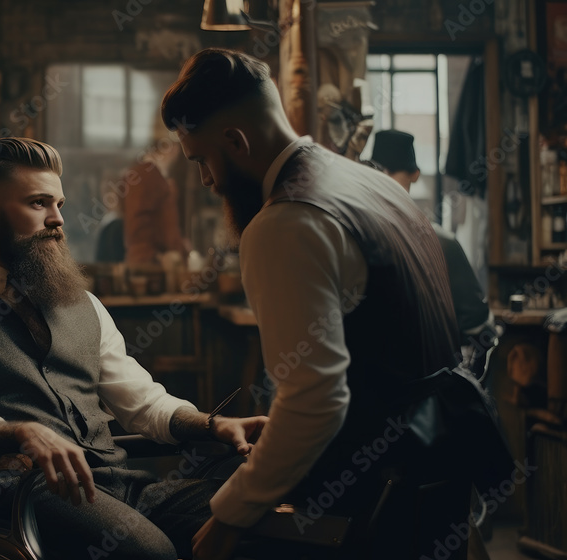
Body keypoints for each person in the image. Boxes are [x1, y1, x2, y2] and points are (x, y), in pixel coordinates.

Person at [160, 49, 494, 559]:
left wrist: (231, 516)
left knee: (168, 521)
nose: (207, 180)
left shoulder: (285, 222)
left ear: (235, 140)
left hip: (364, 502)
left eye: (203, 160)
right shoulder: (374, 184)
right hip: (433, 469)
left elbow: (315, 403)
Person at [0, 137, 267, 560]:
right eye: (38, 203)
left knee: (250, 519)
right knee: (150, 553)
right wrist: (24, 433)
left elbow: (143, 403)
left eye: (58, 203)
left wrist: (212, 425)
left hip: (119, 484)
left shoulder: (85, 306)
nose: (57, 219)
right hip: (21, 495)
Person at [370, 129, 495, 354]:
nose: (386, 181)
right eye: (383, 173)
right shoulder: (440, 242)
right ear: (415, 174)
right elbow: (476, 323)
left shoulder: (356, 237)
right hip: (426, 375)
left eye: (391, 172)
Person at [121, 125, 187, 266]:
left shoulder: (152, 176)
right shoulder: (146, 175)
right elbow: (138, 232)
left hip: (156, 265)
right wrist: (159, 258)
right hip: (150, 268)